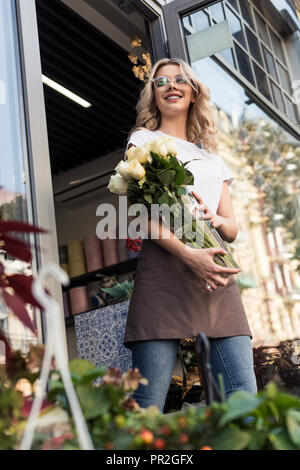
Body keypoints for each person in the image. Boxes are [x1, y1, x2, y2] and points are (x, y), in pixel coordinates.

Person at [123, 57, 257, 412]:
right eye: (162, 81)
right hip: (165, 275)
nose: (172, 85)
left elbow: (232, 227)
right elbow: (139, 214)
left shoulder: (212, 158)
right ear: (153, 94)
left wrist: (215, 218)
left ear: (194, 92)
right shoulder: (144, 139)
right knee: (148, 402)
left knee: (242, 395)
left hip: (215, 276)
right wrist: (186, 255)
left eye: (181, 79)